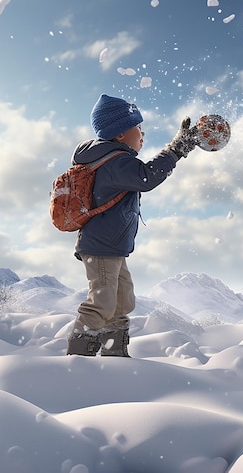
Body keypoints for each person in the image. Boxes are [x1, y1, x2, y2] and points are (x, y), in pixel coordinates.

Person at [66, 93, 198, 357]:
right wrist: (175, 150)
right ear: (119, 134)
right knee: (102, 301)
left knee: (122, 300)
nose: (143, 134)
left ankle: (114, 353)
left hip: (110, 246)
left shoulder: (109, 158)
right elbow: (146, 177)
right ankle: (78, 359)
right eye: (138, 128)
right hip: (102, 245)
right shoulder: (115, 161)